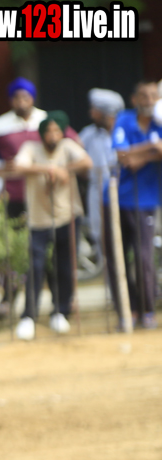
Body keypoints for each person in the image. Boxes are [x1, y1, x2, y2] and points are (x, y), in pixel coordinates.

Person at [0, 79, 79, 318]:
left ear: (32, 98)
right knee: (18, 252)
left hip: (45, 199)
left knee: (52, 252)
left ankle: (60, 303)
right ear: (11, 100)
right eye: (16, 97)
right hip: (16, 197)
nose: (21, 102)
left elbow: (74, 144)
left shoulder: (46, 120)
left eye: (25, 97)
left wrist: (60, 170)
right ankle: (10, 299)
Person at [11, 111, 92, 341]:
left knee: (64, 266)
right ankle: (29, 316)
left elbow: (87, 162)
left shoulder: (68, 147)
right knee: (36, 266)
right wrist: (50, 169)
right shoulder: (31, 148)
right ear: (42, 133)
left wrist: (65, 169)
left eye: (57, 131)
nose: (53, 135)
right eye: (49, 131)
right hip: (39, 220)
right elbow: (18, 167)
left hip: (67, 216)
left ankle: (60, 311)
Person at [106, 80, 162, 330]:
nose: (148, 100)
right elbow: (123, 157)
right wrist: (152, 148)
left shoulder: (159, 122)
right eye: (144, 96)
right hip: (116, 199)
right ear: (134, 99)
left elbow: (133, 157)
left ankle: (147, 310)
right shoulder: (124, 119)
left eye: (153, 95)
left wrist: (138, 155)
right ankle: (127, 311)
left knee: (143, 257)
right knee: (116, 257)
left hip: (146, 200)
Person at [78, 89, 125, 262]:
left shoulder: (123, 131)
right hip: (97, 190)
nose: (91, 113)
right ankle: (106, 269)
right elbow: (76, 152)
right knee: (100, 232)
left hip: (123, 190)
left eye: (95, 110)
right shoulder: (88, 134)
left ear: (106, 113)